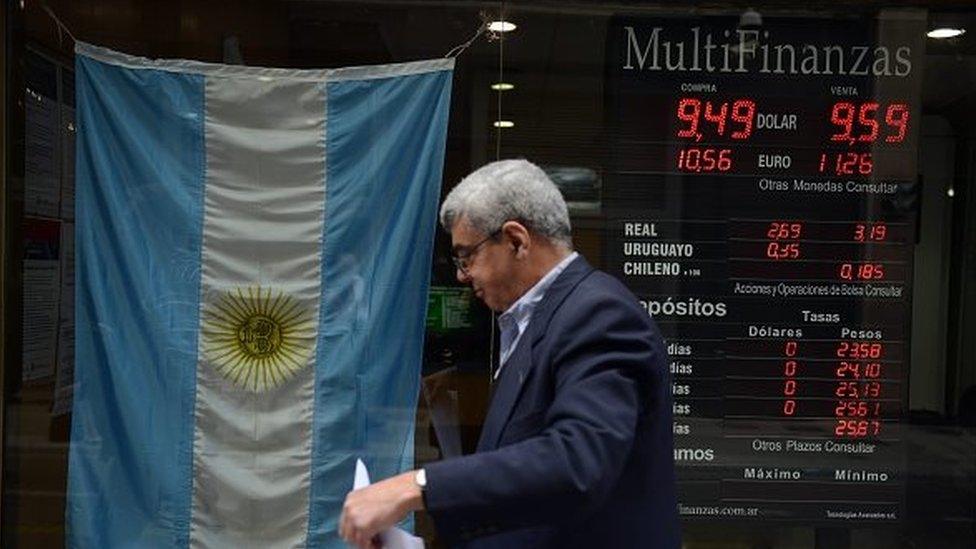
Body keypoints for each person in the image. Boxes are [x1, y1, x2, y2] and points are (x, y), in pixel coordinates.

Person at [339, 159, 680, 548]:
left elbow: (576, 462)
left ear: (517, 240)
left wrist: (414, 485)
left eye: (467, 256)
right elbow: (520, 493)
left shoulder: (600, 315)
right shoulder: (534, 322)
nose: (461, 276)